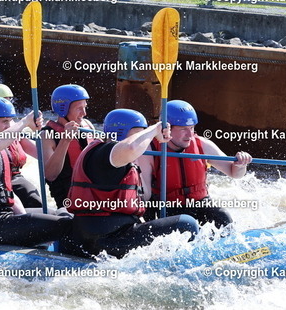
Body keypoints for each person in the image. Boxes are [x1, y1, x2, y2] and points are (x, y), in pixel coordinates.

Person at [62, 109, 199, 258]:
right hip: (106, 241)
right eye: (139, 134)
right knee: (186, 223)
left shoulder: (112, 156)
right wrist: (155, 129)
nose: (144, 140)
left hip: (102, 235)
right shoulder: (106, 154)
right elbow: (131, 147)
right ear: (120, 133)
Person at [0, 96, 71, 247]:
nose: (9, 125)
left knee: (60, 213)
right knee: (65, 224)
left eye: (11, 121)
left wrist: (26, 223)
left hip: (5, 218)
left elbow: (9, 194)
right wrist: (24, 122)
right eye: (4, 121)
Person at [140, 100, 252, 228]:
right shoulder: (150, 150)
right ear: (166, 128)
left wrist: (240, 165)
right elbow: (145, 195)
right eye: (183, 129)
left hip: (199, 204)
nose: (190, 134)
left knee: (223, 217)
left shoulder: (202, 145)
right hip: (166, 206)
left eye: (192, 128)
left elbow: (235, 174)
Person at [41, 84, 95, 208]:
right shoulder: (47, 135)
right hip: (69, 196)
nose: (84, 113)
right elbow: (50, 175)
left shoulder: (87, 125)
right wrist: (65, 141)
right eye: (79, 108)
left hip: (93, 189)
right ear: (63, 109)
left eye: (85, 107)